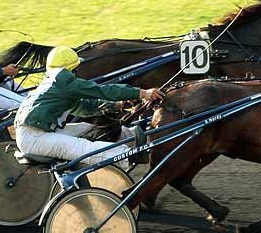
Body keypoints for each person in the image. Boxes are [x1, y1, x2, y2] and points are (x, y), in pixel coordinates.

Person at [14, 46, 164, 167]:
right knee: (84, 148)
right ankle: (129, 154)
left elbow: (82, 107)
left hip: (36, 132)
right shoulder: (63, 80)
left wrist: (116, 105)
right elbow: (102, 90)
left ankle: (131, 136)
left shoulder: (53, 82)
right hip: (35, 137)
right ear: (73, 69)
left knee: (91, 129)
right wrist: (141, 93)